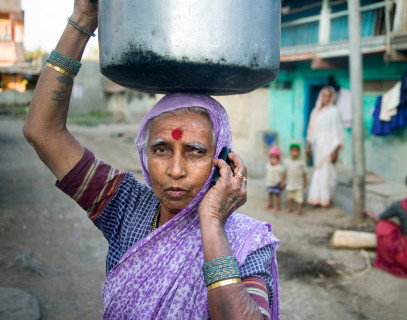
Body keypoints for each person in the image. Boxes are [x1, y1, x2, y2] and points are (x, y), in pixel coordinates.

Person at [22, 1, 280, 319]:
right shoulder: (126, 207)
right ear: (144, 155)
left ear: (224, 160)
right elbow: (42, 131)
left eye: (196, 152)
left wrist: (212, 223)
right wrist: (84, 19)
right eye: (161, 149)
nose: (174, 171)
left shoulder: (250, 243)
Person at [305, 86, 344, 208]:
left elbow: (337, 132)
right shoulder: (316, 111)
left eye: (329, 96)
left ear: (332, 97)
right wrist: (308, 146)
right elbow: (311, 130)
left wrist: (335, 152)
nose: (326, 99)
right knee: (318, 171)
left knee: (329, 174)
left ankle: (326, 199)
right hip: (318, 147)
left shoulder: (334, 111)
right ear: (321, 97)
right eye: (324, 96)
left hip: (329, 147)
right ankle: (316, 199)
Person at [281, 142, 307, 216]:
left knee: (299, 198)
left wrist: (305, 182)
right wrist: (282, 182)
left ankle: (299, 209)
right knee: (290, 197)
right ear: (290, 151)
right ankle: (290, 208)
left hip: (298, 183)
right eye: (293, 151)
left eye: (296, 151)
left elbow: (304, 173)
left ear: (299, 152)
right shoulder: (287, 161)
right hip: (290, 183)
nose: (294, 153)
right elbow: (284, 172)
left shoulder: (302, 162)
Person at [264, 145, 284, 213]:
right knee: (270, 194)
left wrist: (282, 183)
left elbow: (282, 175)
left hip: (276, 183)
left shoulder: (279, 167)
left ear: (278, 159)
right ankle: (270, 204)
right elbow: (267, 166)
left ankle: (277, 206)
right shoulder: (268, 165)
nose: (273, 160)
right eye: (271, 158)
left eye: (275, 158)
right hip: (270, 182)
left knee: (277, 195)